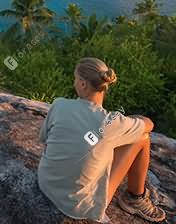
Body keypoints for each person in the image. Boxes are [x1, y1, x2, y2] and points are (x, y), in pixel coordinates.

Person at [38, 57, 166, 223]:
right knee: (142, 137)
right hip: (77, 205)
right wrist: (131, 120)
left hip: (46, 183)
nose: (74, 83)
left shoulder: (59, 105)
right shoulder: (111, 122)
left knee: (98, 144)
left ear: (83, 84)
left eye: (75, 79)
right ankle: (135, 198)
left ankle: (135, 198)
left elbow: (44, 139)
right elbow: (149, 124)